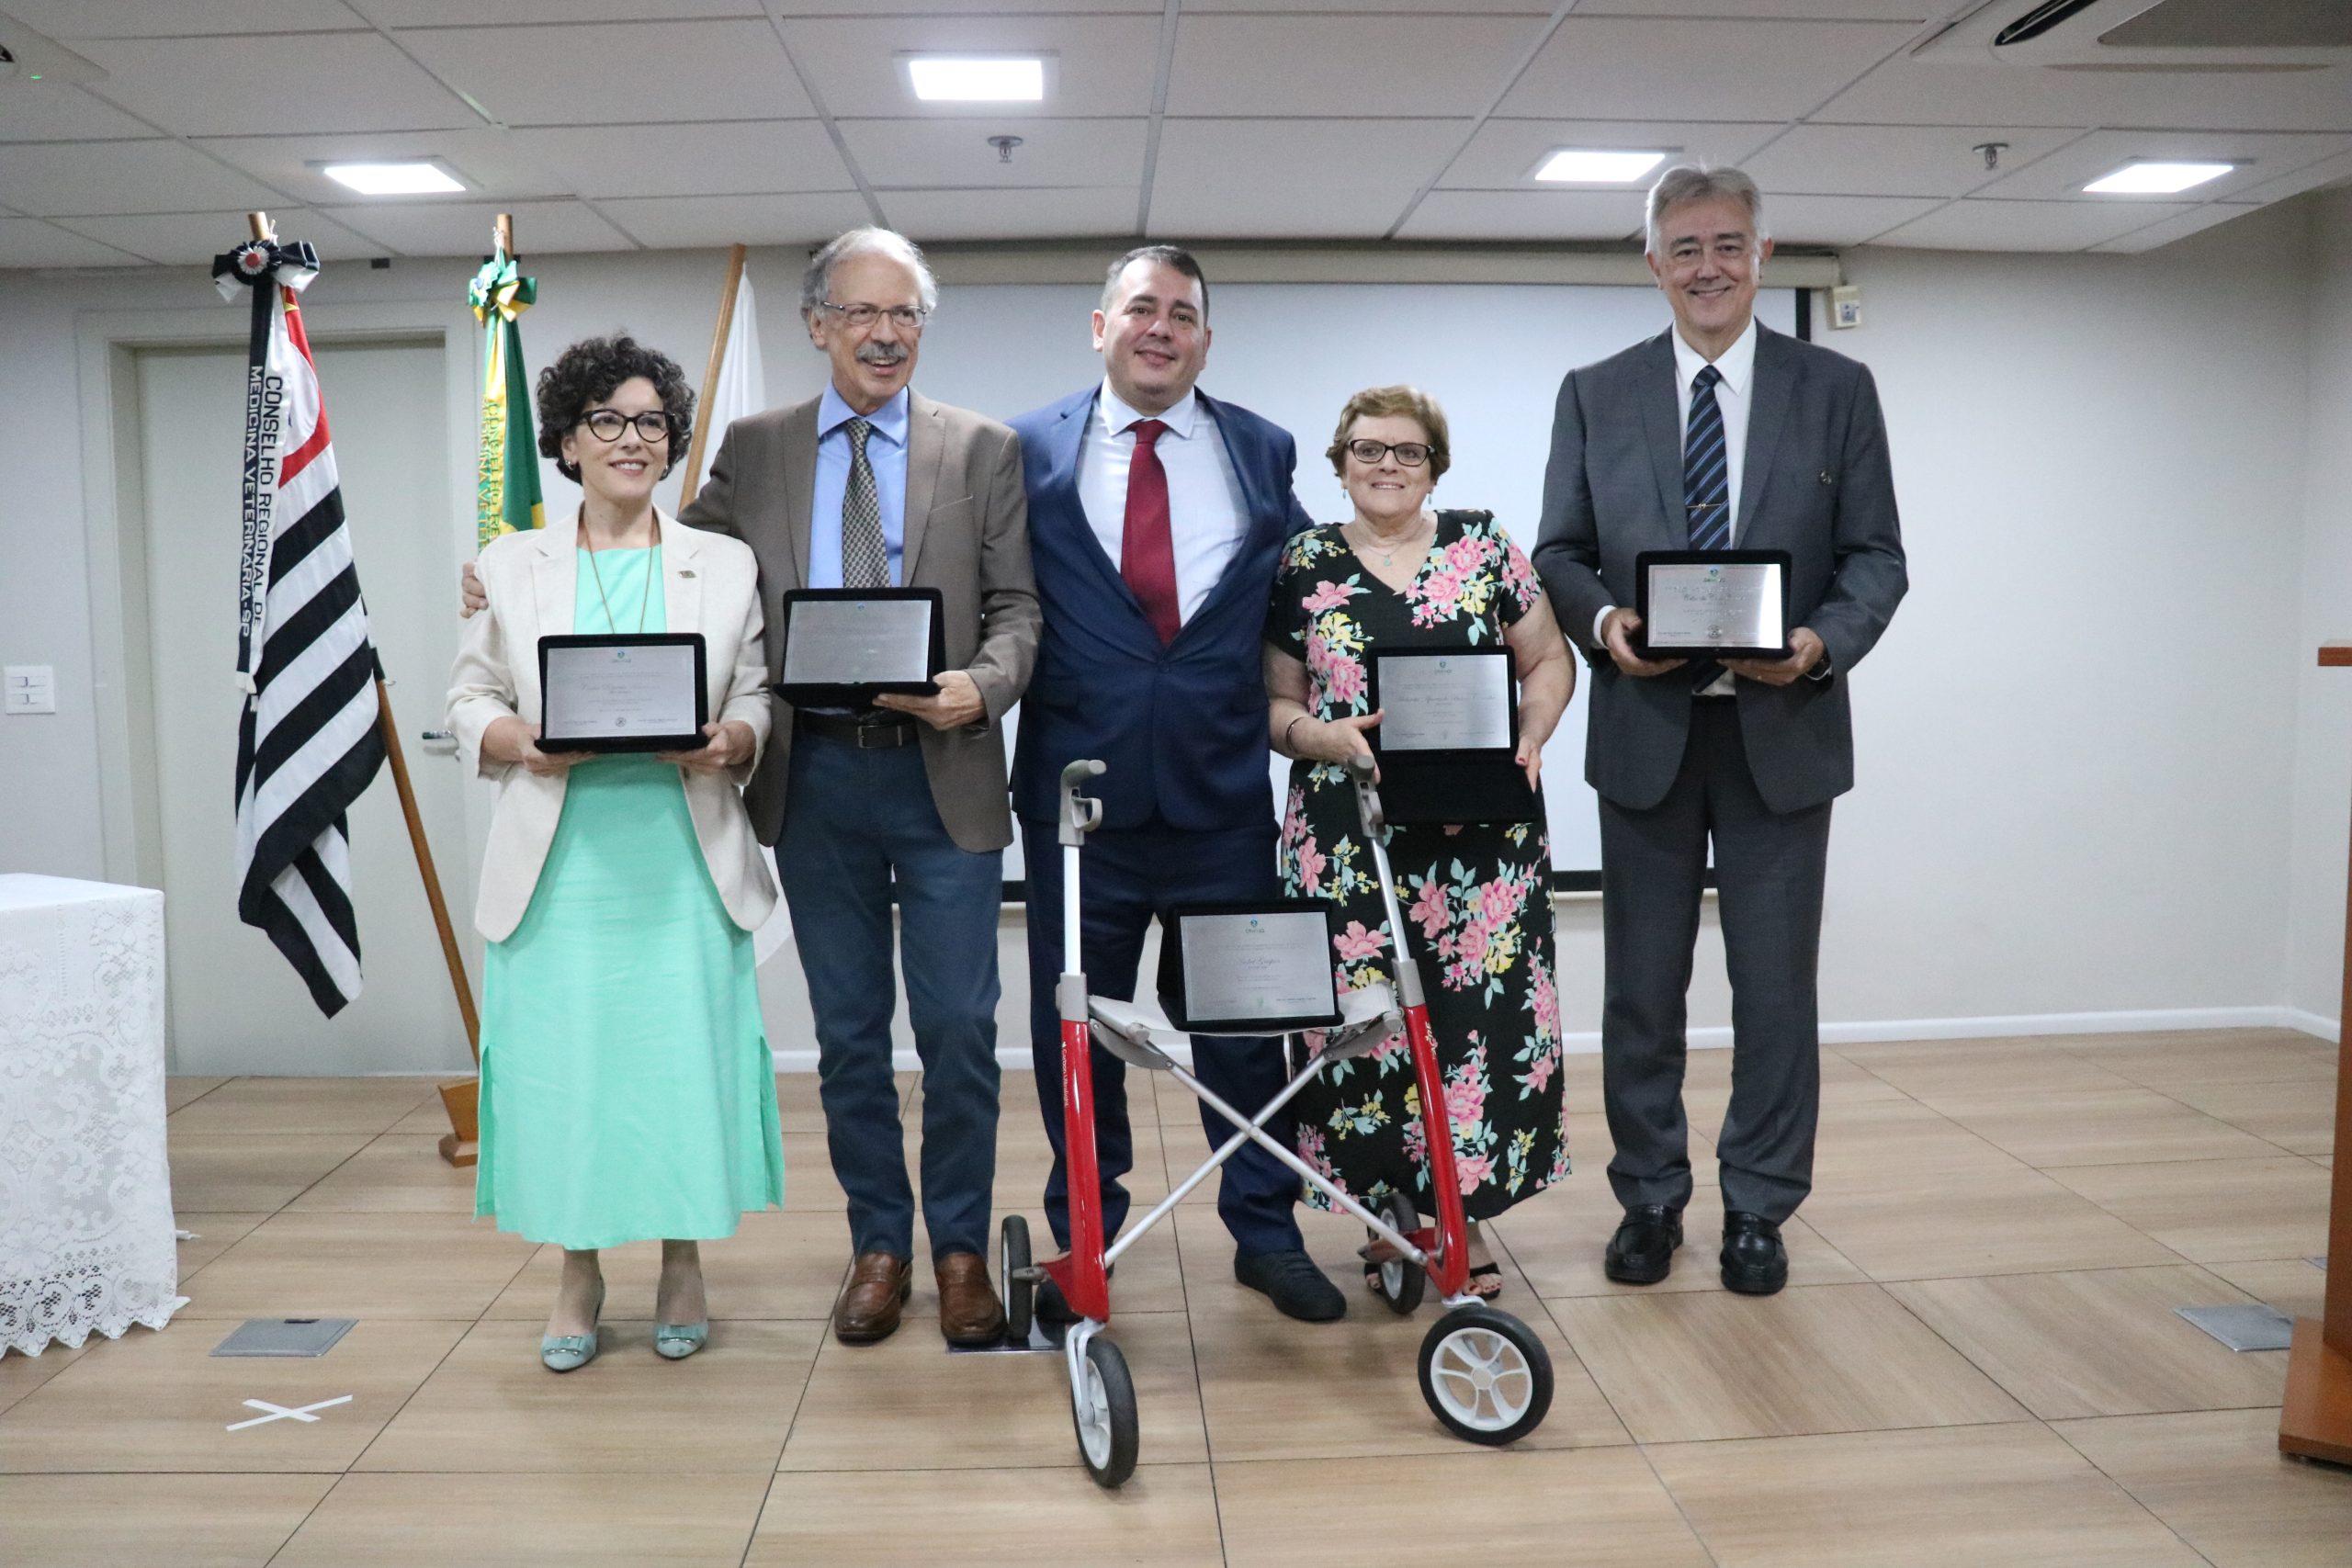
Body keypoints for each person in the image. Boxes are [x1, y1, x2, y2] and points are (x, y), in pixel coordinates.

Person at [462, 230, 1039, 1349]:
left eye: (906, 315)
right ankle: (879, 1244)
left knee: (964, 1026)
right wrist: (502, 566)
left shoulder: (983, 451)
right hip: (812, 775)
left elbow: (1019, 607)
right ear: (817, 324)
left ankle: (959, 1246)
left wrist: (982, 685)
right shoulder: (756, 447)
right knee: (848, 1031)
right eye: (863, 313)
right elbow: (663, 568)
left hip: (943, 776)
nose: (885, 334)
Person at [1531, 164, 1906, 1295]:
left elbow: (1875, 559)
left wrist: (1817, 645)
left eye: (1727, 245)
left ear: (1762, 256)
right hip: (1646, 731)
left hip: (1781, 731)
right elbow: (1558, 551)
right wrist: (1602, 623)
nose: (1707, 266)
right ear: (1651, 263)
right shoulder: (1595, 391)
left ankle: (1758, 1207)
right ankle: (1649, 1199)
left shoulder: (1836, 388)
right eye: (1684, 247)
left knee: (1774, 992)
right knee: (1641, 991)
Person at [1007, 245, 1346, 1323]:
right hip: (1078, 808)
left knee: (1246, 1031)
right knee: (1081, 1040)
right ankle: (1087, 1249)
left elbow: (1311, 593)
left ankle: (1266, 1231)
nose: (1161, 327)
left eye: (1183, 314)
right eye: (1141, 309)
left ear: (1205, 337)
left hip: (1221, 800)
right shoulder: (1022, 452)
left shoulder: (1258, 447)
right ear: (1099, 326)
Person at [448, 334, 783, 1371]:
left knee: (679, 1066)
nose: (630, 441)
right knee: (571, 1074)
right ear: (566, 440)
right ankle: (579, 1268)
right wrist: (520, 744)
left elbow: (757, 694)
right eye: (607, 420)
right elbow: (469, 699)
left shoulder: (724, 564)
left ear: (673, 441)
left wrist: (732, 740)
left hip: (682, 856)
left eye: (650, 423)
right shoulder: (509, 565)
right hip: (562, 862)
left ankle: (684, 1258)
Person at [1264, 386, 1574, 1300]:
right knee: (1363, 1026)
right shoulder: (1304, 561)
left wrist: (1532, 731)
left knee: (1476, 1030)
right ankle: (1386, 1217)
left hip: (1481, 842)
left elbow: (1549, 658)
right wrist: (1320, 736)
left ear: (1435, 462)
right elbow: (1274, 705)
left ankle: (1461, 1218)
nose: (1386, 465)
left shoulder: (1485, 547)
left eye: (1407, 451)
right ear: (1339, 461)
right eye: (1367, 449)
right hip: (1346, 838)